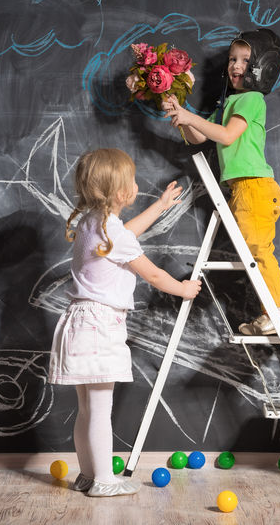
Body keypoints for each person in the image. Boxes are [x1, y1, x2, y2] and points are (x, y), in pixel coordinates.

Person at [48, 148, 202, 497]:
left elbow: (127, 232)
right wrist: (183, 289)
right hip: (100, 328)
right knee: (101, 409)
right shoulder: (112, 234)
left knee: (87, 409)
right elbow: (153, 273)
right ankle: (103, 480)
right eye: (132, 180)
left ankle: (88, 475)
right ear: (121, 192)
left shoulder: (93, 222)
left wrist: (160, 206)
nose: (136, 184)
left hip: (79, 324)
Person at [163, 28, 280, 336]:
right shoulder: (230, 104)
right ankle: (272, 313)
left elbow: (226, 135)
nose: (236, 65)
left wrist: (190, 117)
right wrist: (180, 115)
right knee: (253, 252)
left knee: (259, 251)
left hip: (255, 186)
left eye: (245, 60)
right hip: (241, 189)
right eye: (232, 59)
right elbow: (200, 138)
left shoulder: (251, 99)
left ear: (262, 66)